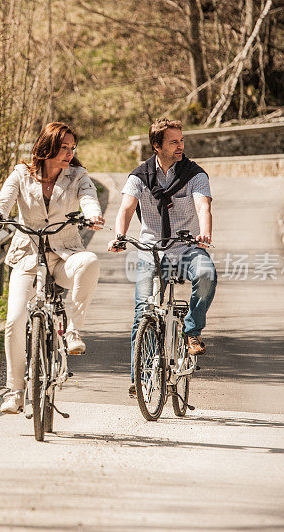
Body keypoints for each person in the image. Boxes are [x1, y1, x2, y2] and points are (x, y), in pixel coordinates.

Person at [0, 122, 104, 414]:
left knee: (90, 261)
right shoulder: (21, 174)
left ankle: (73, 331)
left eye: (72, 148)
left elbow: (89, 198)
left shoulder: (78, 176)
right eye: (64, 147)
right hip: (28, 255)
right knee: (14, 320)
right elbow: (4, 202)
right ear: (47, 147)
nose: (69, 153)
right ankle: (14, 391)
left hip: (65, 254)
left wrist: (93, 215)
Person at [107, 118, 217, 396]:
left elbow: (203, 207)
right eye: (174, 141)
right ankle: (140, 379)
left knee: (206, 275)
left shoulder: (195, 174)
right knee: (143, 312)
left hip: (188, 248)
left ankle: (192, 330)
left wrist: (204, 233)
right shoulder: (139, 176)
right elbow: (125, 209)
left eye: (182, 140)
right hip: (151, 252)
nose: (181, 146)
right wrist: (120, 236)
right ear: (157, 146)